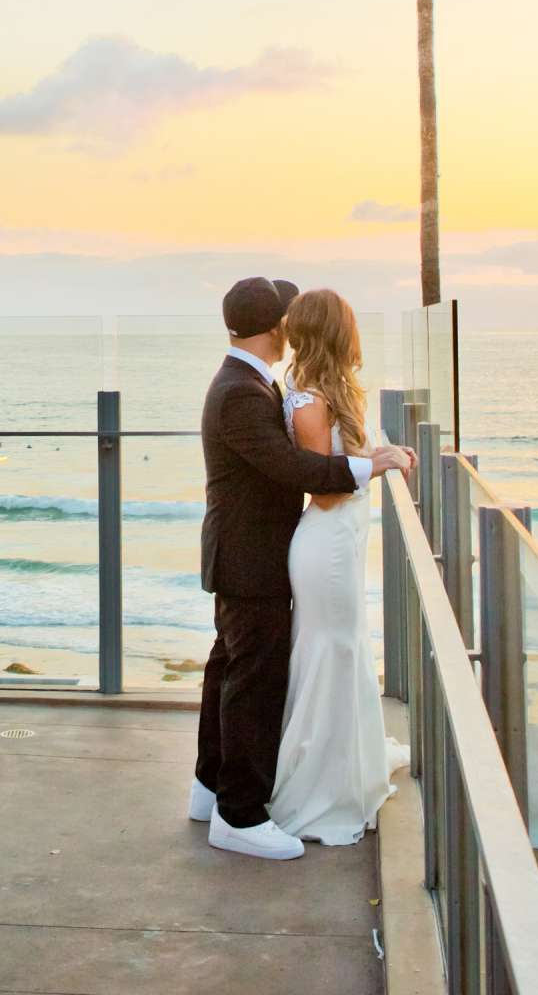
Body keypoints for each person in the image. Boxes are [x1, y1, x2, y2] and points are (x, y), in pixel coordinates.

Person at [190, 275, 413, 860]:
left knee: (229, 668)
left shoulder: (249, 383)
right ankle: (237, 816)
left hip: (250, 551)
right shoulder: (241, 391)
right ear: (274, 329)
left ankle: (209, 786)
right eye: (286, 319)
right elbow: (297, 472)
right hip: (250, 556)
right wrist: (375, 465)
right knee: (252, 681)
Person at [266, 287, 408, 845]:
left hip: (344, 544)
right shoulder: (307, 401)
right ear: (333, 331)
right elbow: (323, 489)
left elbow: (339, 466)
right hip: (325, 545)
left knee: (346, 649)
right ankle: (317, 791)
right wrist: (379, 464)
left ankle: (348, 766)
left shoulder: (328, 392)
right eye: (349, 324)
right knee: (331, 651)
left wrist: (381, 457)